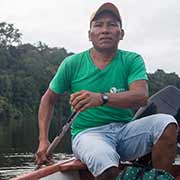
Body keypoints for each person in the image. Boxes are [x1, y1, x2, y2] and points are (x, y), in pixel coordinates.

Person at [36, 2, 177, 180]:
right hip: (88, 134)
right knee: (106, 164)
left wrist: (101, 98)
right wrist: (43, 140)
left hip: (125, 131)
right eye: (98, 25)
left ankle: (158, 176)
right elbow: (48, 99)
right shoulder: (72, 63)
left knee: (167, 122)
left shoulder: (132, 60)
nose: (105, 30)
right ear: (90, 35)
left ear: (121, 33)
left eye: (112, 24)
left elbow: (141, 96)